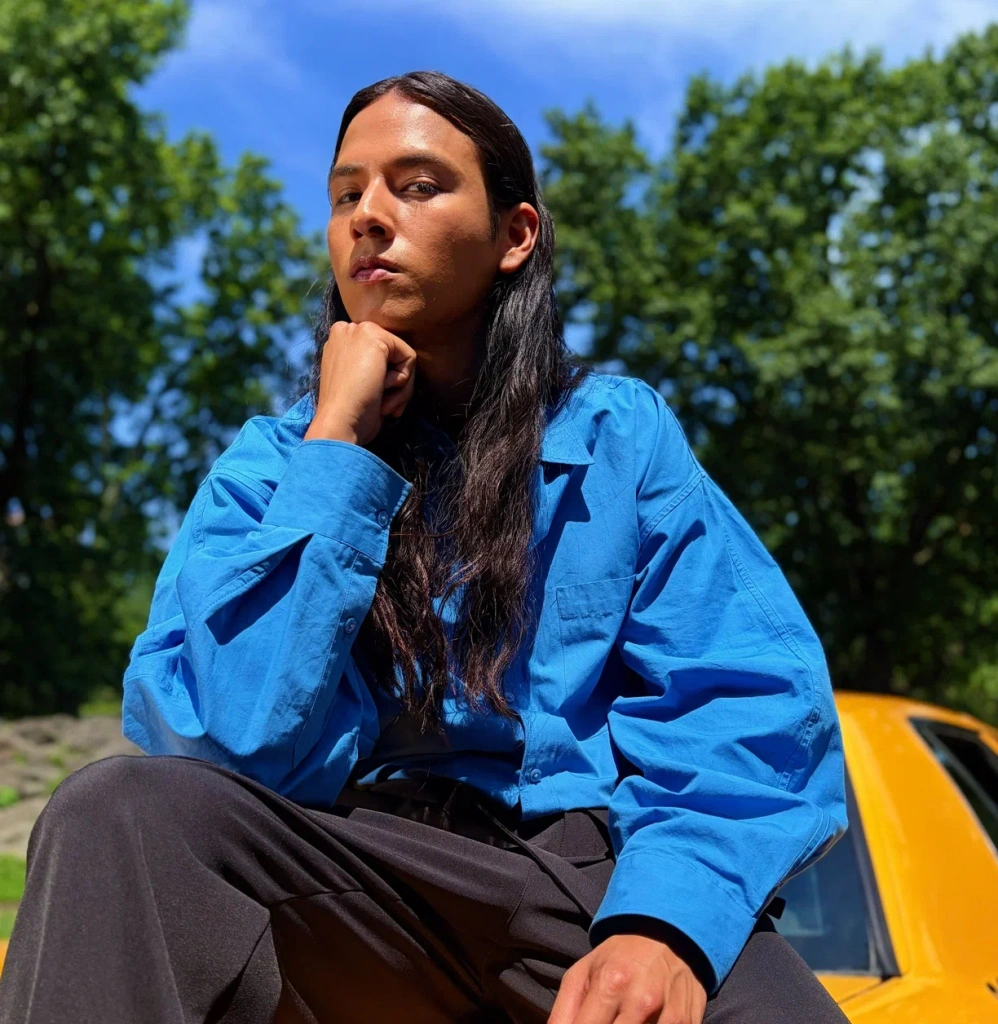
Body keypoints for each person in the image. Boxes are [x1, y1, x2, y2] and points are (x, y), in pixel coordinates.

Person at [0, 71, 850, 1024]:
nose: (367, 216)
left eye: (416, 186)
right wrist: (337, 448)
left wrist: (665, 926)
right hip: (355, 878)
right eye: (344, 195)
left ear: (513, 236)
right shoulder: (271, 465)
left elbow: (742, 695)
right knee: (116, 811)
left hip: (591, 881)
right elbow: (221, 747)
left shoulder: (620, 438)